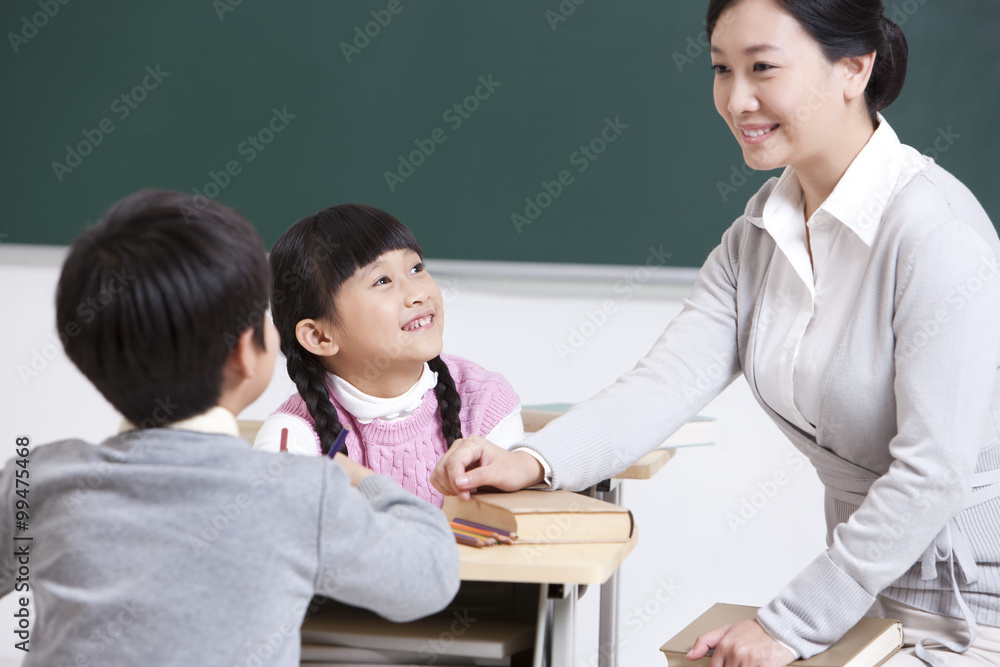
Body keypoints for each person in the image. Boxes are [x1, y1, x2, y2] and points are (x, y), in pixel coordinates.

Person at [432, 0, 1000, 665]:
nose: (736, 99)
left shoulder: (937, 234)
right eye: (721, 69)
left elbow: (934, 474)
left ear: (853, 68)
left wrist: (789, 624)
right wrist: (535, 458)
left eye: (763, 68)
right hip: (867, 608)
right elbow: (664, 383)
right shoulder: (762, 232)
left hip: (972, 614)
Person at [0, 190, 460, 666]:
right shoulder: (300, 492)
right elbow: (428, 578)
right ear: (246, 352)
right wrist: (361, 479)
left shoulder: (38, 480)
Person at [253, 203, 523, 508]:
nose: (418, 294)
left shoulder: (484, 401)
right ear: (319, 336)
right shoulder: (294, 437)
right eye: (382, 281)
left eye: (416, 268)